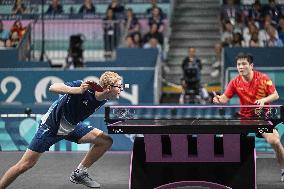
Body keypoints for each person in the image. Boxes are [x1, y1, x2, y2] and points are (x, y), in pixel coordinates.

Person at [0, 71, 123, 188]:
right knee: (24, 165)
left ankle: (79, 173)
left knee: (105, 141)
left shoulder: (104, 99)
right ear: (108, 88)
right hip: (50, 128)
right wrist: (77, 90)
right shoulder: (82, 86)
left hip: (72, 127)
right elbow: (53, 87)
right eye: (119, 86)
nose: (121, 89)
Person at [212, 53, 284, 182]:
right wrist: (218, 99)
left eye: (244, 64)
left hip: (261, 118)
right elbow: (224, 98)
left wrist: (263, 100)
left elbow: (275, 95)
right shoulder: (235, 82)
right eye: (239, 64)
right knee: (225, 140)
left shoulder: (263, 78)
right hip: (244, 120)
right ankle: (223, 173)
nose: (241, 67)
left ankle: (283, 169)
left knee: (275, 142)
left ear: (251, 66)